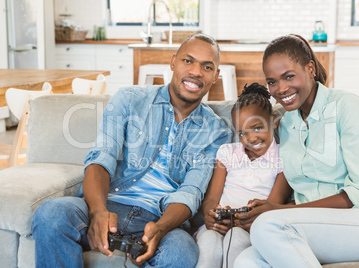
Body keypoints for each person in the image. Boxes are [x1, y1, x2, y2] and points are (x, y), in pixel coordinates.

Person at [32, 33, 232, 268]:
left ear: (216, 76)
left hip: (162, 219)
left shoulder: (217, 131)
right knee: (50, 214)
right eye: (188, 61)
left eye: (207, 66)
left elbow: (191, 191)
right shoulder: (129, 100)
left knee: (181, 254)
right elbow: (101, 158)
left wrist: (160, 228)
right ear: (173, 61)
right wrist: (97, 211)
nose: (196, 72)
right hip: (107, 204)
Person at [234, 34, 359, 267]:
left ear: (310, 68)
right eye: (272, 82)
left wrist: (280, 212)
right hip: (318, 227)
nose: (281, 89)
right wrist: (274, 209)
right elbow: (306, 193)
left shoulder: (347, 106)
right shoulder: (288, 124)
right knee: (245, 261)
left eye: (289, 76)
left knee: (268, 225)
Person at [195, 83, 292, 268]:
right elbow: (211, 199)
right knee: (208, 241)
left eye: (257, 128)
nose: (251, 138)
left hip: (251, 228)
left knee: (236, 238)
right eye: (242, 133)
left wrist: (241, 222)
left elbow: (272, 206)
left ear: (274, 120)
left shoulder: (284, 157)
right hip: (220, 224)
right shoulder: (227, 153)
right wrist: (210, 214)